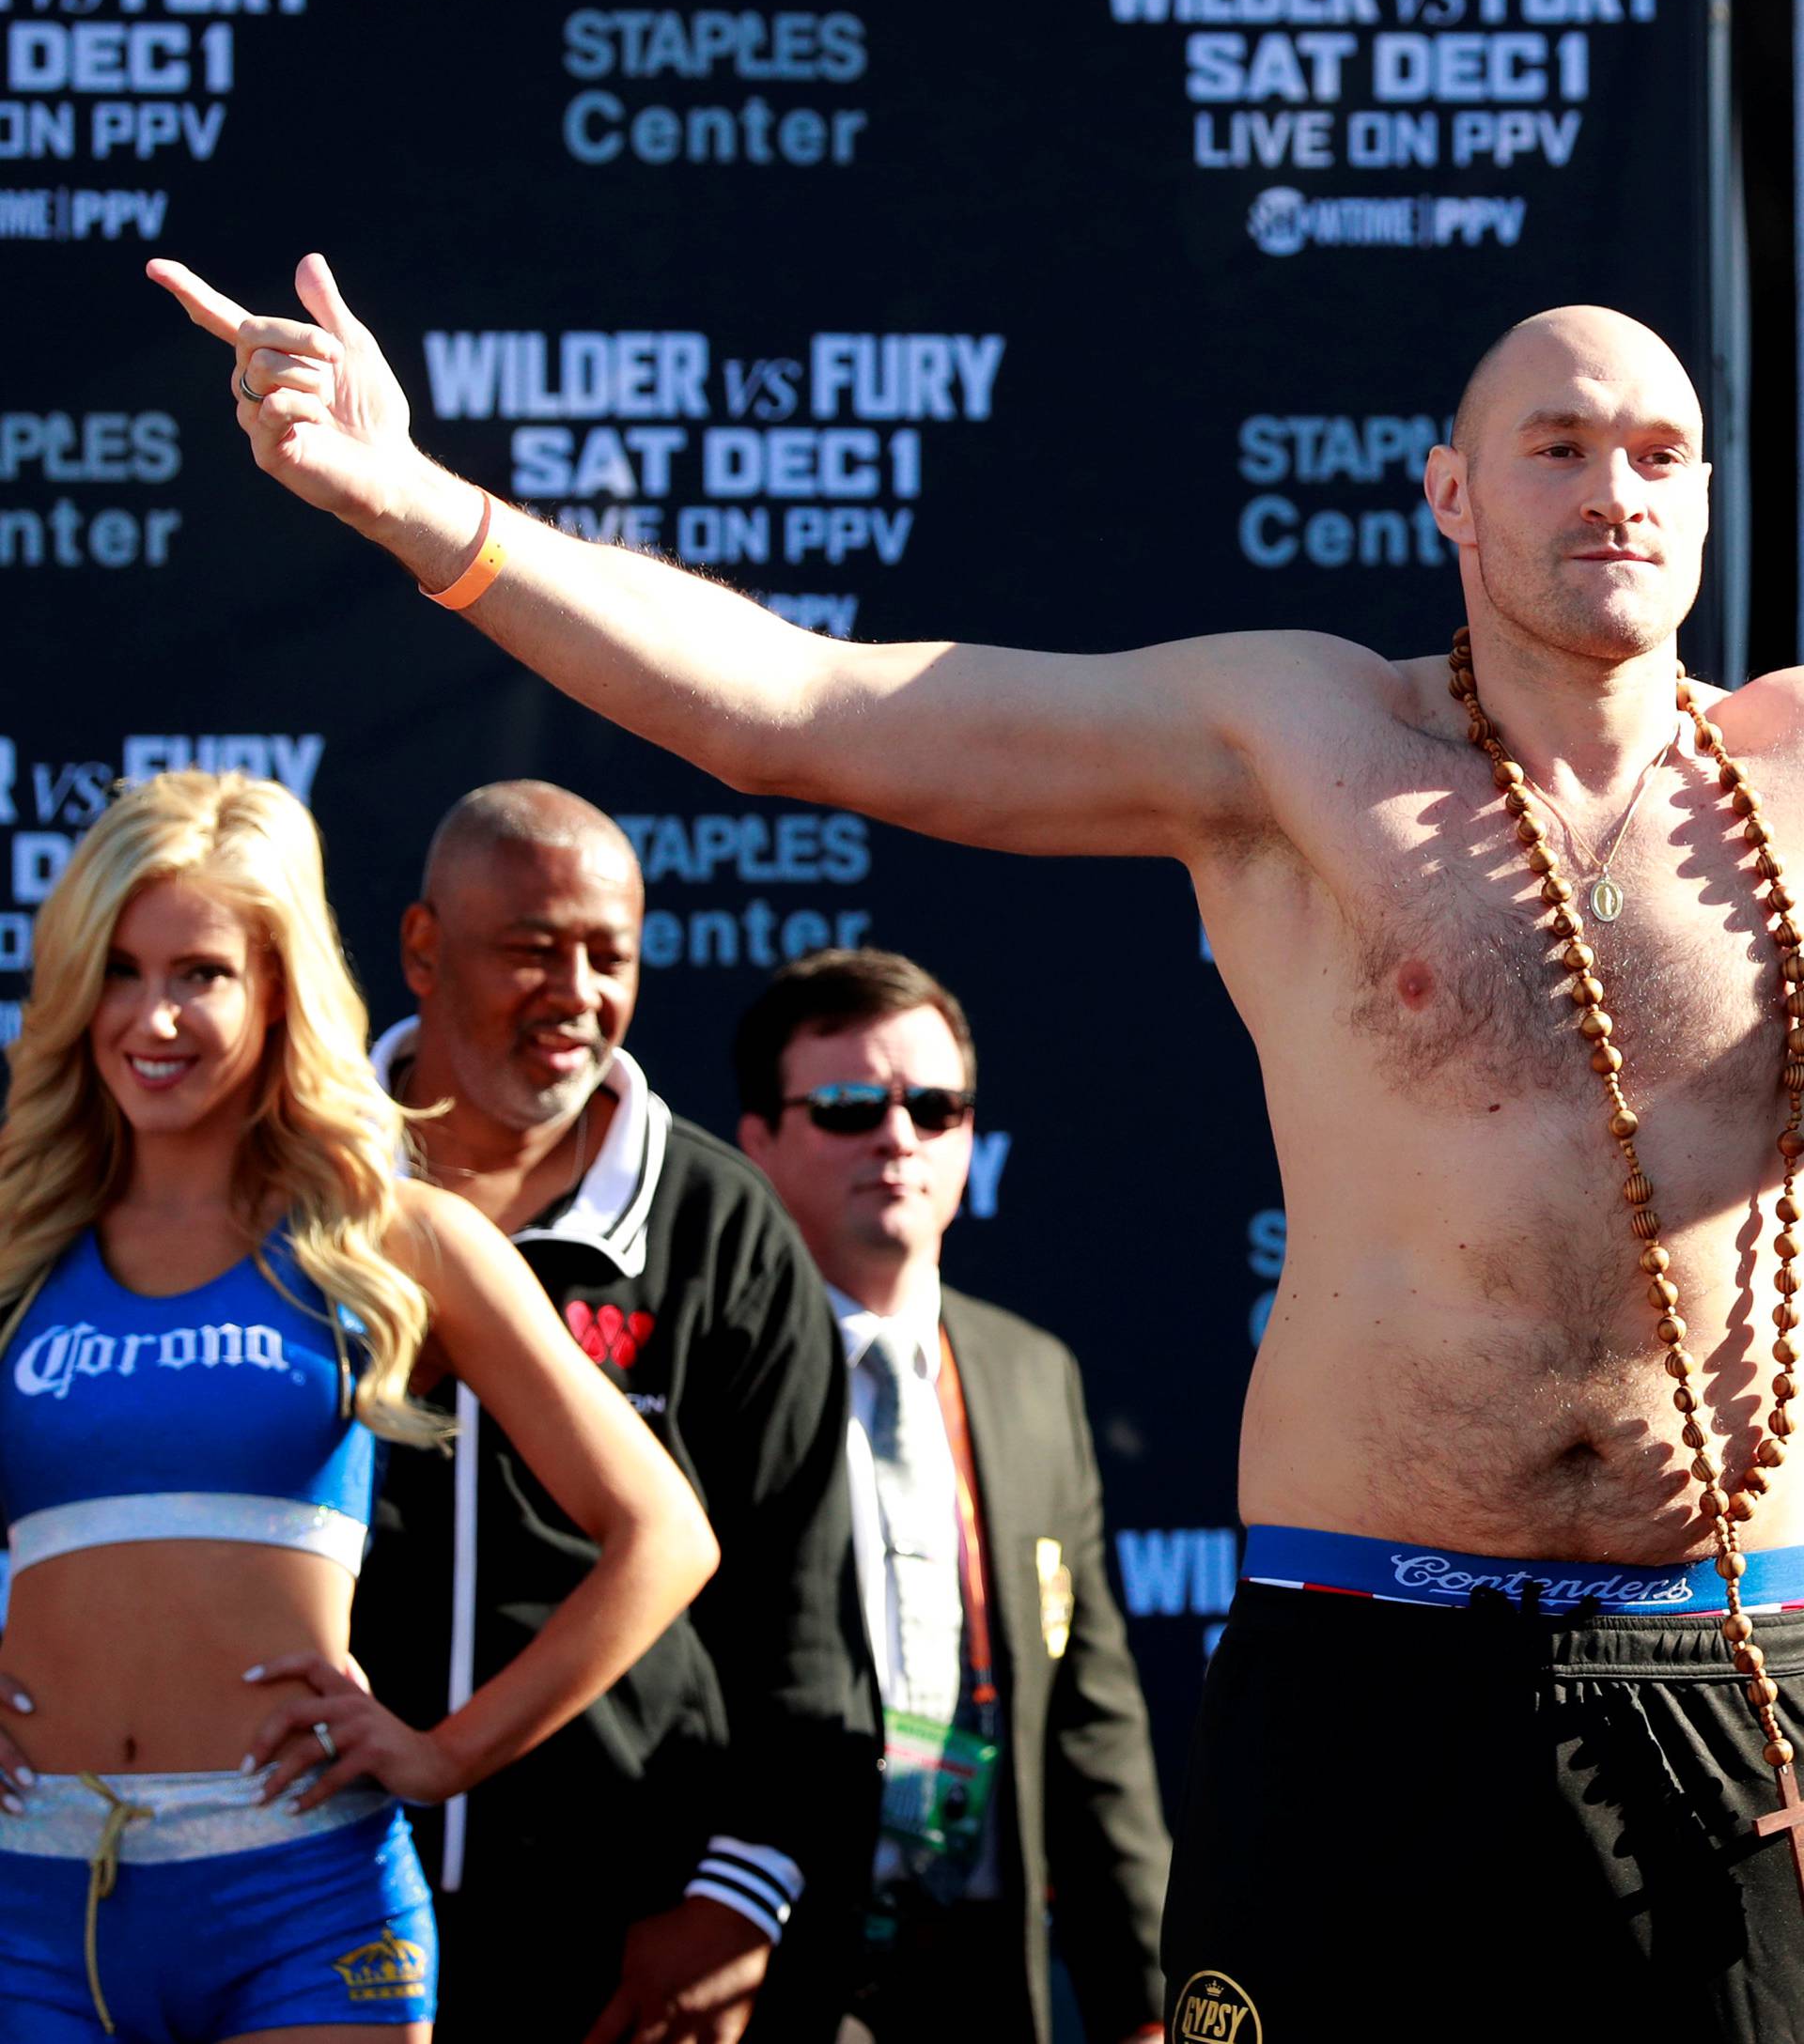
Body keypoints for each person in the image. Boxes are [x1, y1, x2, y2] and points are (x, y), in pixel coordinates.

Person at [149, 256, 1804, 2036]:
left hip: (1726, 1661)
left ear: (1709, 493)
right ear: (1453, 492)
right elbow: (794, 709)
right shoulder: (1299, 739)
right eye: (1556, 445)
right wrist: (422, 503)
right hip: (1362, 1659)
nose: (1616, 489)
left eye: (1660, 450)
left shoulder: (1785, 784)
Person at [0, 769, 716, 2043]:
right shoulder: (16, 1244)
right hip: (27, 1898)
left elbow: (664, 1530)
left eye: (201, 973)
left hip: (304, 1901)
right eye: (118, 968)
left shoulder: (393, 1237)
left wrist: (448, 1753)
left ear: (279, 988)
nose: (152, 1016)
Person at [349, 780, 879, 2044]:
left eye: (610, 954)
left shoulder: (716, 1220)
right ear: (422, 945)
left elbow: (800, 1620)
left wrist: (736, 1902)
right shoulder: (299, 1193)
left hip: (619, 1933)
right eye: (532, 949)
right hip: (309, 1902)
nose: (576, 992)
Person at [734, 948, 1168, 2044]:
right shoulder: (711, 1369)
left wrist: (1145, 2003)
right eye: (844, 1107)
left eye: (933, 1106)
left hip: (980, 1965)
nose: (897, 1138)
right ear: (758, 1142)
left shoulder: (1030, 1373)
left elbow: (1090, 1718)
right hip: (764, 1954)